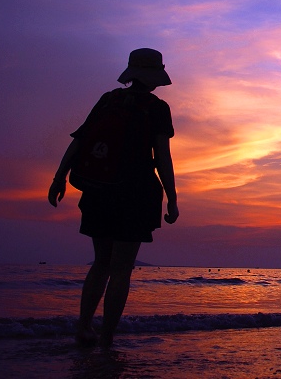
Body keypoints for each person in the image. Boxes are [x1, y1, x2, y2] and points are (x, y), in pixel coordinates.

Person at [48, 48, 179, 347]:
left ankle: (83, 328)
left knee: (101, 263)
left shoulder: (108, 100)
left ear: (131, 73)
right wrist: (172, 197)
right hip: (136, 194)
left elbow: (79, 140)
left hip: (99, 192)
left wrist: (59, 178)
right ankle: (106, 337)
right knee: (122, 269)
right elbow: (162, 158)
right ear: (155, 76)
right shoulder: (157, 108)